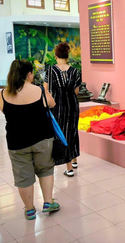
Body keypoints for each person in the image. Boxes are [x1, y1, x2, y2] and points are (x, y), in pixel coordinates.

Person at [0, 59, 60, 220]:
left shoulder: (4, 93)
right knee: (45, 169)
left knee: (23, 177)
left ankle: (30, 209)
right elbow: (52, 104)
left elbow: (4, 110)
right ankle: (48, 202)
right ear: (29, 74)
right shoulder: (39, 91)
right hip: (42, 139)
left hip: (16, 142)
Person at [44, 43, 81, 177]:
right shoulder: (75, 71)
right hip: (72, 105)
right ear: (67, 55)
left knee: (61, 133)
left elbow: (46, 90)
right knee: (72, 130)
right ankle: (74, 159)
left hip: (57, 105)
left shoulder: (50, 70)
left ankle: (69, 167)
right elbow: (76, 91)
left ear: (56, 56)